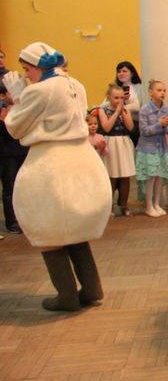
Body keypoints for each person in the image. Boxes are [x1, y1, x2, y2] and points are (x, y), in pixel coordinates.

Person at [3, 42, 111, 311]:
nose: (26, 75)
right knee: (74, 230)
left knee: (48, 231)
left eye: (28, 69)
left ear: (40, 66)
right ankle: (91, 288)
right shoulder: (76, 84)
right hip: (80, 159)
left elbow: (15, 126)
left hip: (51, 165)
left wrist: (18, 97)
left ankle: (66, 297)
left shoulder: (40, 90)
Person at [136, 80, 168, 217]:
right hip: (148, 149)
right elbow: (144, 131)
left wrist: (166, 125)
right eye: (159, 90)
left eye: (164, 90)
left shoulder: (166, 109)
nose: (162, 93)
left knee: (159, 177)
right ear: (150, 92)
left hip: (161, 149)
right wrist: (160, 124)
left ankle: (157, 204)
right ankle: (148, 205)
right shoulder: (145, 110)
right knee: (150, 177)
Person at [98, 84, 135, 216]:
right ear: (109, 97)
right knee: (112, 176)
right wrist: (116, 113)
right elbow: (106, 127)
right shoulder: (102, 110)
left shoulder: (126, 110)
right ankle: (110, 205)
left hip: (123, 142)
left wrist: (123, 112)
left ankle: (124, 205)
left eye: (121, 98)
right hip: (111, 143)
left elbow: (130, 127)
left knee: (125, 176)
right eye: (115, 98)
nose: (119, 101)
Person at [0, 81, 26, 234]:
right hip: (9, 154)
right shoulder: (3, 110)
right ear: (3, 95)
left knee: (24, 188)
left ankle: (24, 219)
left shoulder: (22, 109)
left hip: (24, 150)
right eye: (10, 92)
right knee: (10, 188)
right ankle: (12, 221)